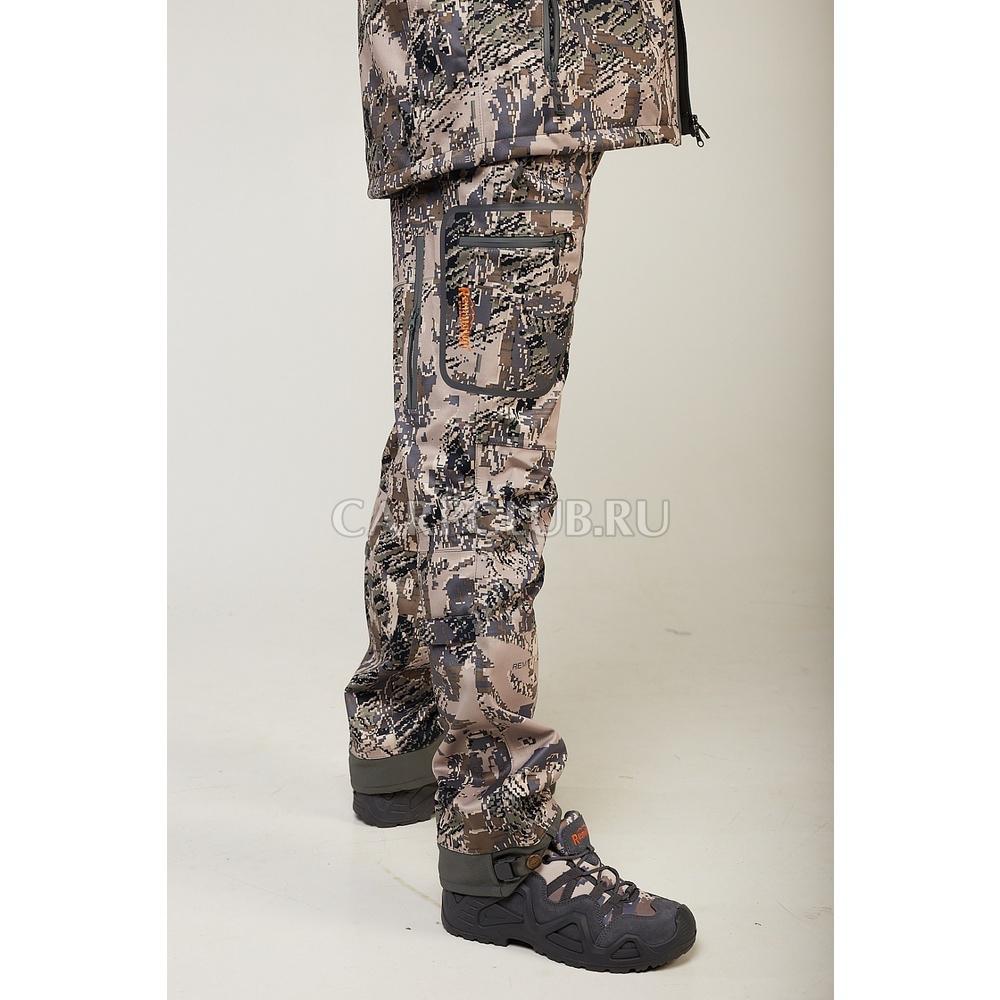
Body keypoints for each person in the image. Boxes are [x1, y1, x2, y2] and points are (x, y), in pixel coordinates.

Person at [343, 0, 707, 972]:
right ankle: (497, 840)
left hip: (455, 73)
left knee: (445, 419)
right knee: (485, 451)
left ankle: (398, 720)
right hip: (511, 73)